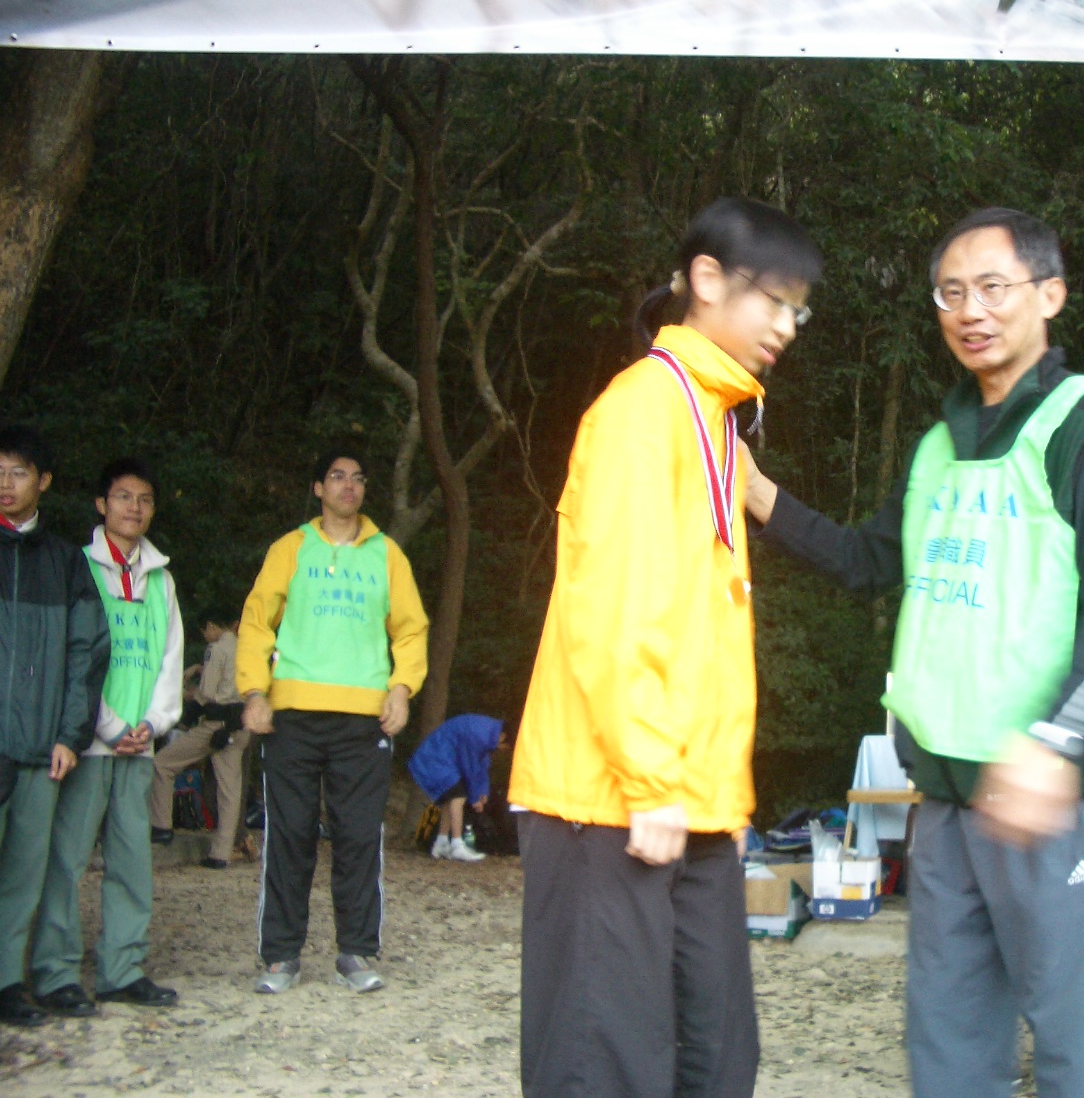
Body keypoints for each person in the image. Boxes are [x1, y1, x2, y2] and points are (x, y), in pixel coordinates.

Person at [745, 207, 1084, 1098]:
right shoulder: (939, 447)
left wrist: (1057, 740)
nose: (971, 310)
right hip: (945, 798)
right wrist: (757, 494)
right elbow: (867, 561)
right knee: (948, 1052)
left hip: (1059, 793)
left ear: (1049, 295)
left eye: (993, 288)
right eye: (951, 292)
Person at [508, 197, 820, 1098]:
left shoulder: (715, 422)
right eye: (774, 301)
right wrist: (650, 780)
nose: (786, 327)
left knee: (714, 1061)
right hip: (610, 800)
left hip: (693, 802)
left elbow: (699, 624)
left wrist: (712, 793)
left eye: (799, 311)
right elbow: (613, 609)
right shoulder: (641, 412)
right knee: (605, 1066)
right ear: (708, 280)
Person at [238, 449, 429, 995]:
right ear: (318, 488)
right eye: (337, 477)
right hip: (293, 716)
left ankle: (357, 951)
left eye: (358, 479)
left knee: (358, 838)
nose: (349, 486)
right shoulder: (290, 548)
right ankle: (280, 956)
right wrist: (255, 692)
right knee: (289, 836)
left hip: (364, 720)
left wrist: (401, 688)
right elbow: (256, 622)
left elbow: (410, 628)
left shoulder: (387, 554)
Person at [31, 457, 185, 1017]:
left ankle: (122, 969)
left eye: (144, 499)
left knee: (131, 860)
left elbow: (170, 658)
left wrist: (155, 722)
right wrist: (106, 725)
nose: (134, 508)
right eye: (123, 497)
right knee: (67, 859)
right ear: (101, 505)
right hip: (87, 743)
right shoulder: (78, 568)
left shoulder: (161, 579)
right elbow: (73, 655)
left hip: (139, 744)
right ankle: (55, 973)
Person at [0, 426, 109, 1028]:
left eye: (17, 472)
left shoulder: (66, 563)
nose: (5, 484)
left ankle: (8, 984)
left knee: (25, 875)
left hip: (41, 747)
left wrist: (70, 734)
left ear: (42, 481)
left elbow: (86, 654)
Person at [149, 609, 249, 868]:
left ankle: (161, 826)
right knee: (230, 790)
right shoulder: (246, 648)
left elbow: (206, 693)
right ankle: (221, 853)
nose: (205, 636)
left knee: (162, 763)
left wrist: (185, 712)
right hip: (239, 726)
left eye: (204, 631)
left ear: (211, 625)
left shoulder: (216, 649)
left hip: (214, 725)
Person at [407, 713, 507, 863]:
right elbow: (470, 766)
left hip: (444, 759)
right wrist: (475, 798)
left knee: (450, 798)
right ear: (503, 736)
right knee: (458, 796)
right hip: (435, 758)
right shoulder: (479, 735)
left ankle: (441, 842)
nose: (503, 750)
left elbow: (482, 764)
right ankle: (457, 844)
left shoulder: (488, 733)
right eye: (505, 747)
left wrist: (483, 791)